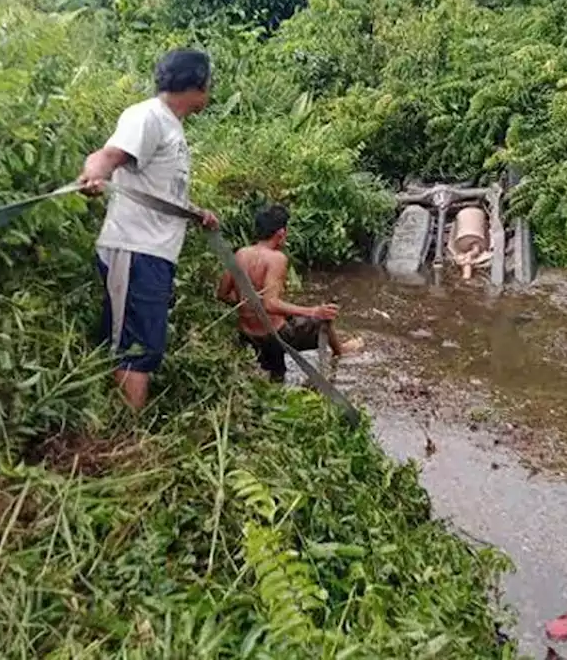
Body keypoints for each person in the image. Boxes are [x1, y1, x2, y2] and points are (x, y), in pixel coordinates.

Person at [77, 49, 219, 410]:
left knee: (144, 345)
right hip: (134, 250)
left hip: (153, 255)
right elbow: (108, 155)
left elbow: (158, 191)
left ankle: (125, 427)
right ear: (196, 84)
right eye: (209, 83)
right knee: (135, 347)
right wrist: (95, 173)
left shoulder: (171, 126)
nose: (211, 90)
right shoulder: (148, 117)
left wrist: (195, 212)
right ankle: (128, 436)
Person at [217, 204, 363, 382]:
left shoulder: (240, 254)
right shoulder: (276, 258)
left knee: (275, 378)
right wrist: (314, 311)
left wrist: (248, 307)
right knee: (323, 320)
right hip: (273, 336)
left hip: (247, 334)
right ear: (280, 233)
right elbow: (270, 304)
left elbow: (223, 294)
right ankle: (340, 351)